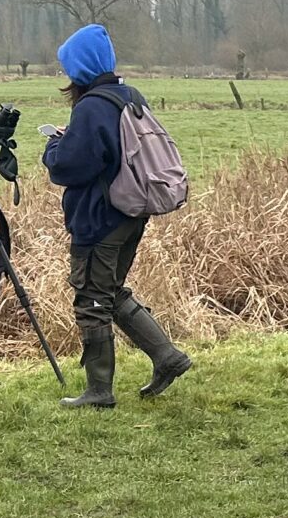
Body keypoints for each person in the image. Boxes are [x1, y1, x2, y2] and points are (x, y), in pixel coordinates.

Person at [41, 24, 192, 408]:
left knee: (92, 299)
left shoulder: (92, 107)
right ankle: (167, 357)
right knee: (110, 291)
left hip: (100, 219)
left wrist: (55, 146)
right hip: (131, 214)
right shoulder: (129, 95)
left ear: (79, 67)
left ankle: (99, 391)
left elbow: (70, 167)